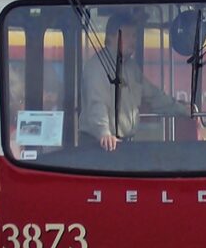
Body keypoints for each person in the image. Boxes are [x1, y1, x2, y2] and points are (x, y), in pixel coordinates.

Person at [79, 11, 189, 151]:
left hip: (122, 143)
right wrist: (104, 133)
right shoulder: (96, 67)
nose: (133, 41)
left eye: (134, 36)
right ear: (111, 37)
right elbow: (97, 103)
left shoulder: (131, 68)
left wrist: (182, 109)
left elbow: (153, 96)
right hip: (98, 146)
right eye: (127, 36)